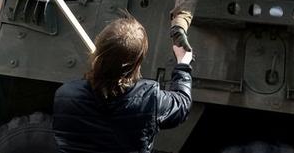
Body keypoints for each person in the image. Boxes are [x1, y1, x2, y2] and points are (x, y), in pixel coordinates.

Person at [53, 16, 193, 153]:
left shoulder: (64, 95)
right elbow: (182, 103)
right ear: (137, 62)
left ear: (98, 52)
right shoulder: (150, 98)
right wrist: (183, 65)